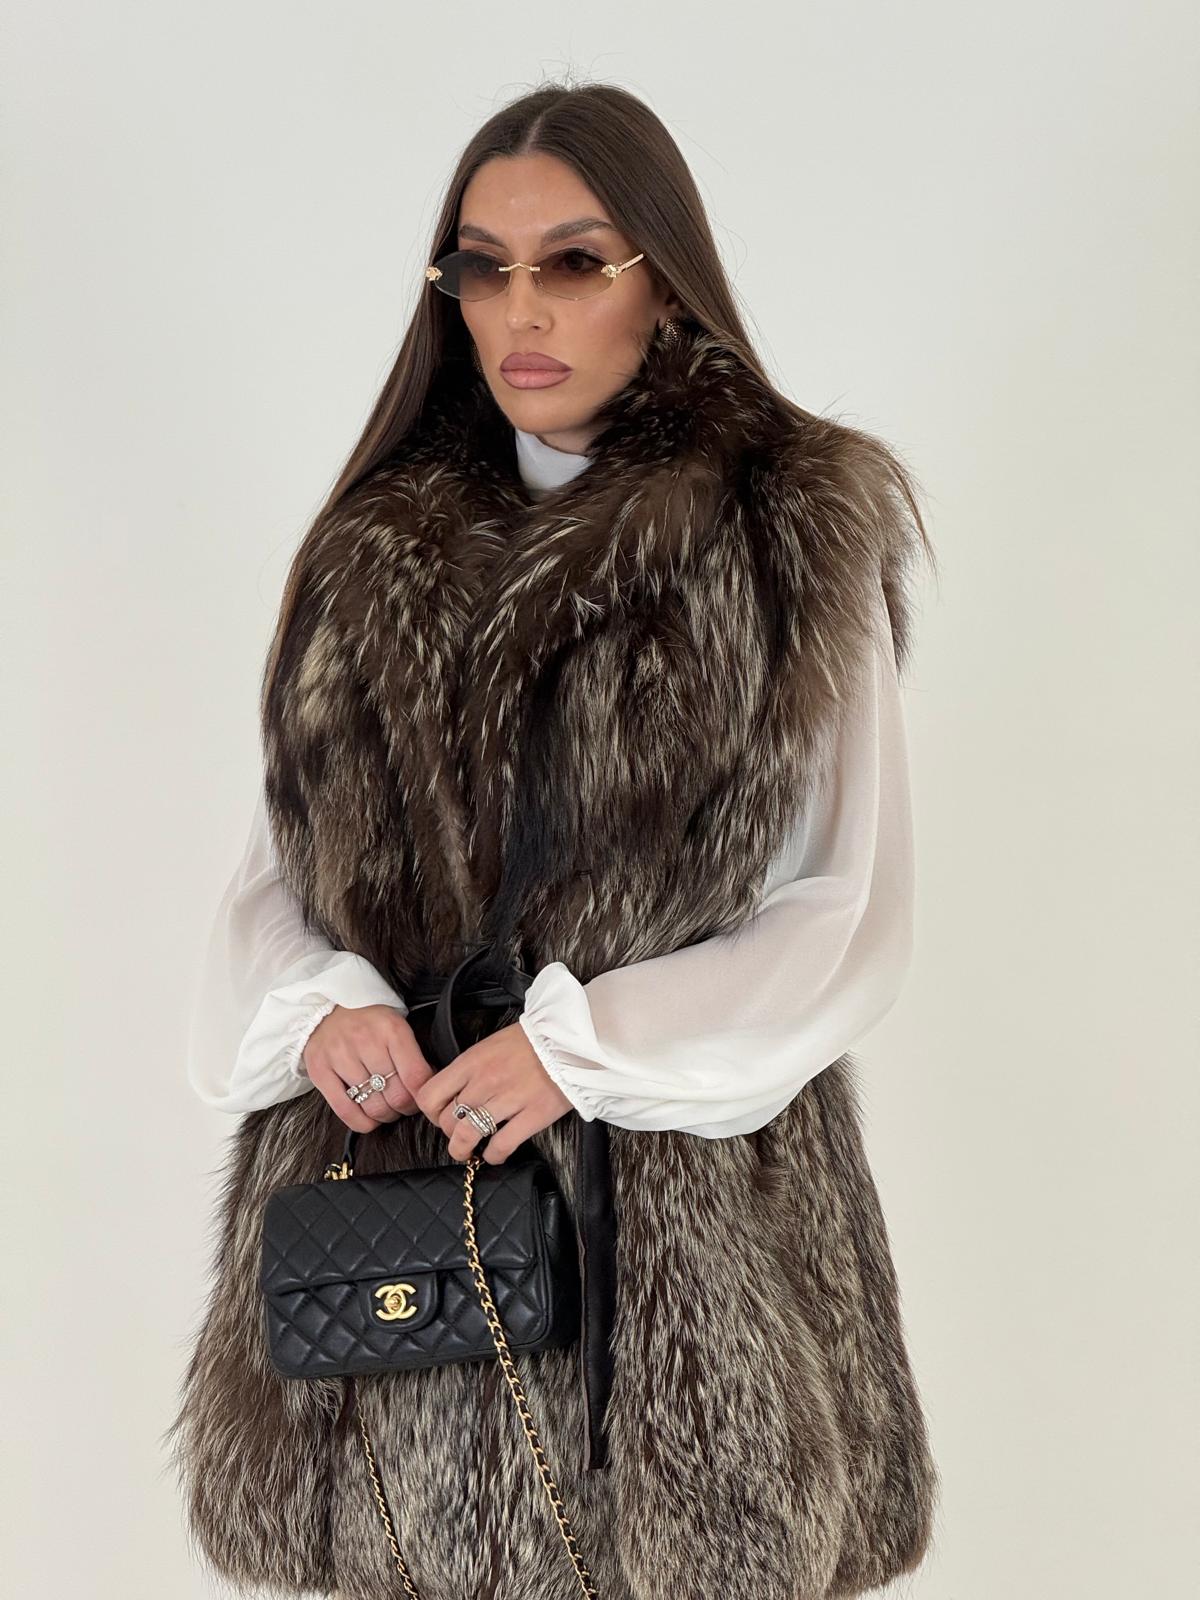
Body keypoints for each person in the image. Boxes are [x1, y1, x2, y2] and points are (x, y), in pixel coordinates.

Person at [166, 79, 940, 1600]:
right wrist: (323, 1007)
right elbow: (273, 882)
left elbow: (843, 908)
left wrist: (584, 1047)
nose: (521, 309)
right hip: (399, 1221)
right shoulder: (367, 556)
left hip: (679, 1234)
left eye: (575, 262)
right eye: (483, 266)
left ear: (665, 279)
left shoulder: (786, 535)